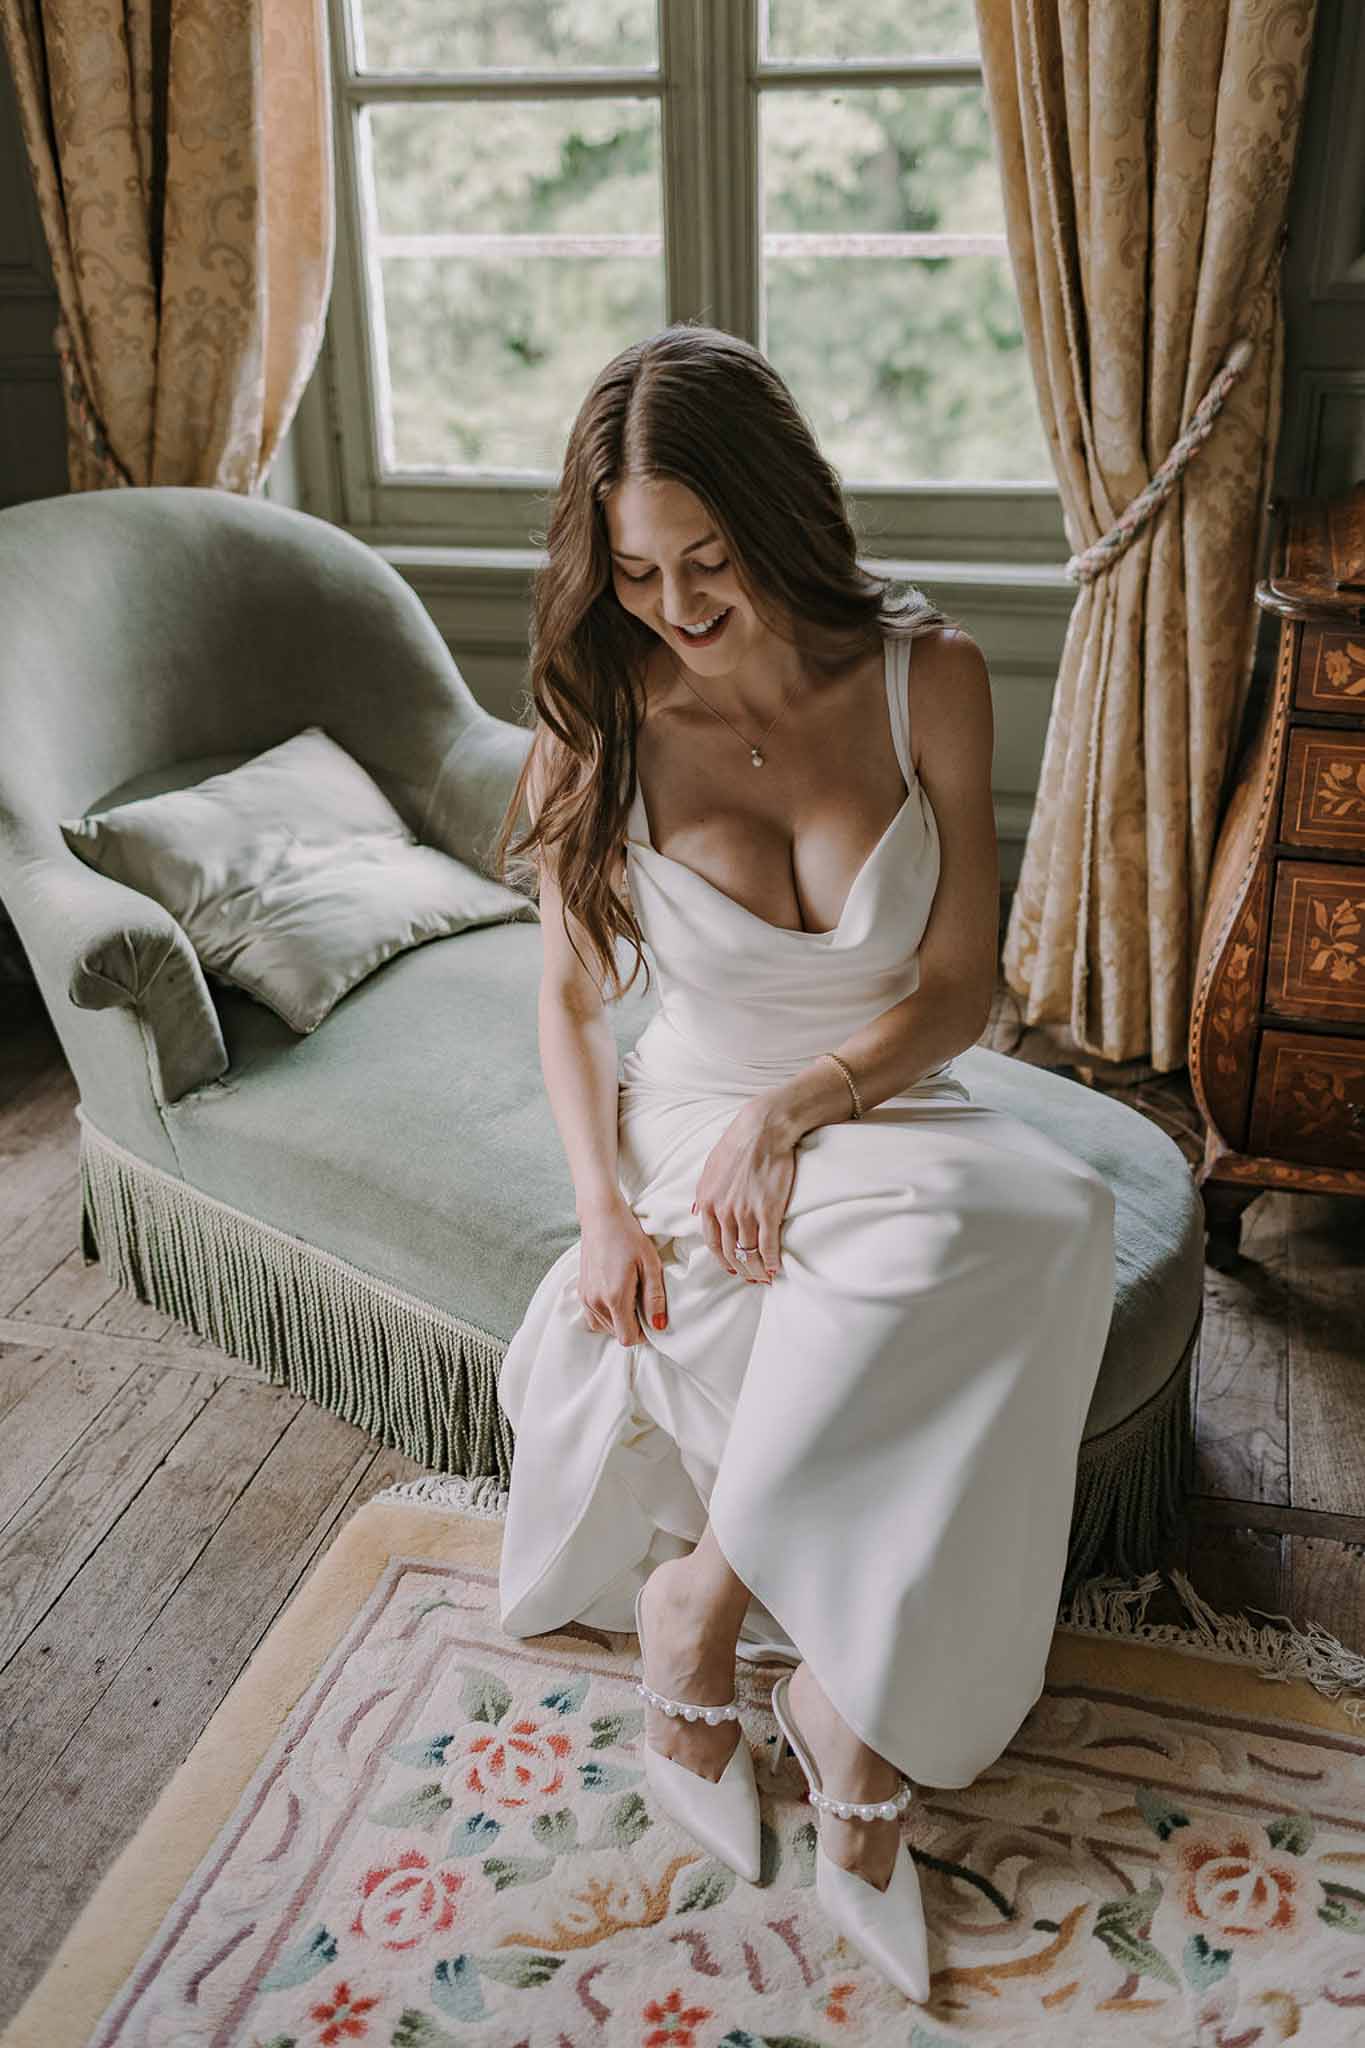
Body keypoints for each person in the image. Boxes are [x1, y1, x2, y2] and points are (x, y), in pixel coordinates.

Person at [486, 322, 1116, 2003]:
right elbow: (566, 1000)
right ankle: (830, 1708)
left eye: (707, 558)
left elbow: (959, 990)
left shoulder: (928, 676)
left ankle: (713, 1607)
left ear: (780, 512)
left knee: (1050, 1211)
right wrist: (602, 1209)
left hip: (878, 1098)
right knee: (992, 1235)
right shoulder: (598, 715)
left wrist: (801, 1109)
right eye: (636, 573)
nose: (677, 604)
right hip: (696, 1114)